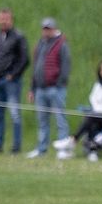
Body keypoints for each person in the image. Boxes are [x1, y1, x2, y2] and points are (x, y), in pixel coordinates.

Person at [56, 59, 102, 162]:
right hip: (97, 114)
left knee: (91, 117)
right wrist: (98, 110)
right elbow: (93, 98)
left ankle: (73, 140)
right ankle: (92, 151)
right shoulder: (98, 84)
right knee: (92, 122)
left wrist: (100, 110)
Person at [27, 18, 71, 159]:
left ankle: (63, 149)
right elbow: (35, 68)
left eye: (48, 28)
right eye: (44, 29)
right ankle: (41, 149)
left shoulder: (61, 44)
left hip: (56, 89)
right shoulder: (40, 44)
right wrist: (32, 88)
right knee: (42, 121)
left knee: (60, 120)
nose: (46, 31)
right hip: (40, 89)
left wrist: (59, 84)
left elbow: (66, 66)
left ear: (54, 29)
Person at [0, 7, 29, 154]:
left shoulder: (19, 37)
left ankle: (16, 146)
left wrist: (13, 74)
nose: (3, 22)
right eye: (1, 19)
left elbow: (24, 59)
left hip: (12, 82)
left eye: (6, 19)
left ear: (11, 20)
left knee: (14, 114)